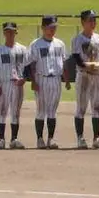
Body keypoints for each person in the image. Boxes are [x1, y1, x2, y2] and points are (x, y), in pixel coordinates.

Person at [69, 9, 99, 149]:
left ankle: (96, 138)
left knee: (97, 108)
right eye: (90, 20)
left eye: (94, 20)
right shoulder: (77, 39)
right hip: (84, 75)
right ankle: (80, 138)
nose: (93, 23)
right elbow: (76, 57)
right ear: (83, 22)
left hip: (98, 75)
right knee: (81, 108)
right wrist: (86, 67)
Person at [27, 15, 68, 149]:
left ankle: (50, 139)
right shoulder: (35, 44)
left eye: (54, 27)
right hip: (41, 78)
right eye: (50, 27)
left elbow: (63, 63)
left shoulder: (60, 44)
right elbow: (31, 64)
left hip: (56, 79)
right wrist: (33, 81)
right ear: (43, 28)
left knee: (52, 111)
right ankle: (40, 139)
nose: (52, 30)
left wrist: (66, 80)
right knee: (41, 110)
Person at [0, 22, 28, 149]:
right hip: (4, 82)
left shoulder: (23, 49)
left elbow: (27, 67)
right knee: (2, 111)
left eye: (12, 31)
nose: (10, 33)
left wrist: (25, 78)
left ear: (16, 32)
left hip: (18, 84)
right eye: (7, 31)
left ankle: (14, 139)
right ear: (4, 33)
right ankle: (1, 139)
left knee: (15, 112)